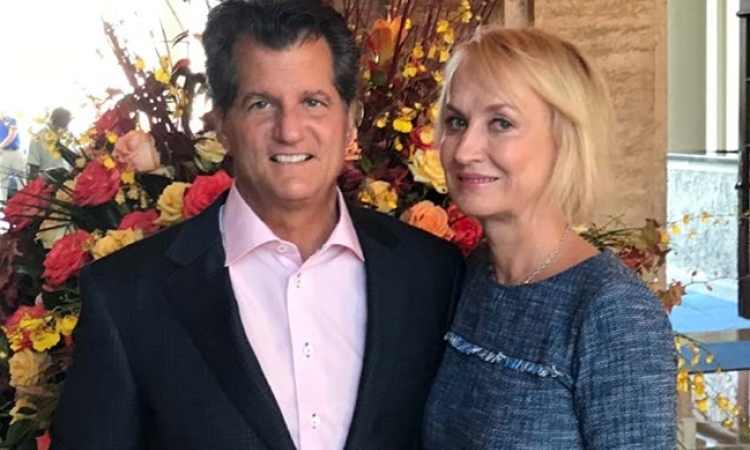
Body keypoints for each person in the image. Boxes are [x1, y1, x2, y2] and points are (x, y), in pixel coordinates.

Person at [50, 1, 464, 449]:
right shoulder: (126, 296)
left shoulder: (431, 273)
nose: (289, 130)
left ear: (351, 122)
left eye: (313, 101)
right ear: (222, 124)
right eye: (261, 103)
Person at [423, 27, 677, 449]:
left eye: (500, 123)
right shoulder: (470, 277)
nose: (465, 149)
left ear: (565, 139)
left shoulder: (611, 312)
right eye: (456, 121)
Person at [28, 107, 73, 179]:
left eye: (64, 126)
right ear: (52, 120)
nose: (61, 129)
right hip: (49, 181)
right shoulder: (38, 138)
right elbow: (33, 166)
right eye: (58, 126)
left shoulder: (68, 135)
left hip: (68, 179)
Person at [0, 112, 25, 201]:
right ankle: (2, 204)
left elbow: (12, 136)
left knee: (21, 178)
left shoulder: (13, 121)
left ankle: (24, 202)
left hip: (16, 152)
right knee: (2, 180)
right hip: (3, 153)